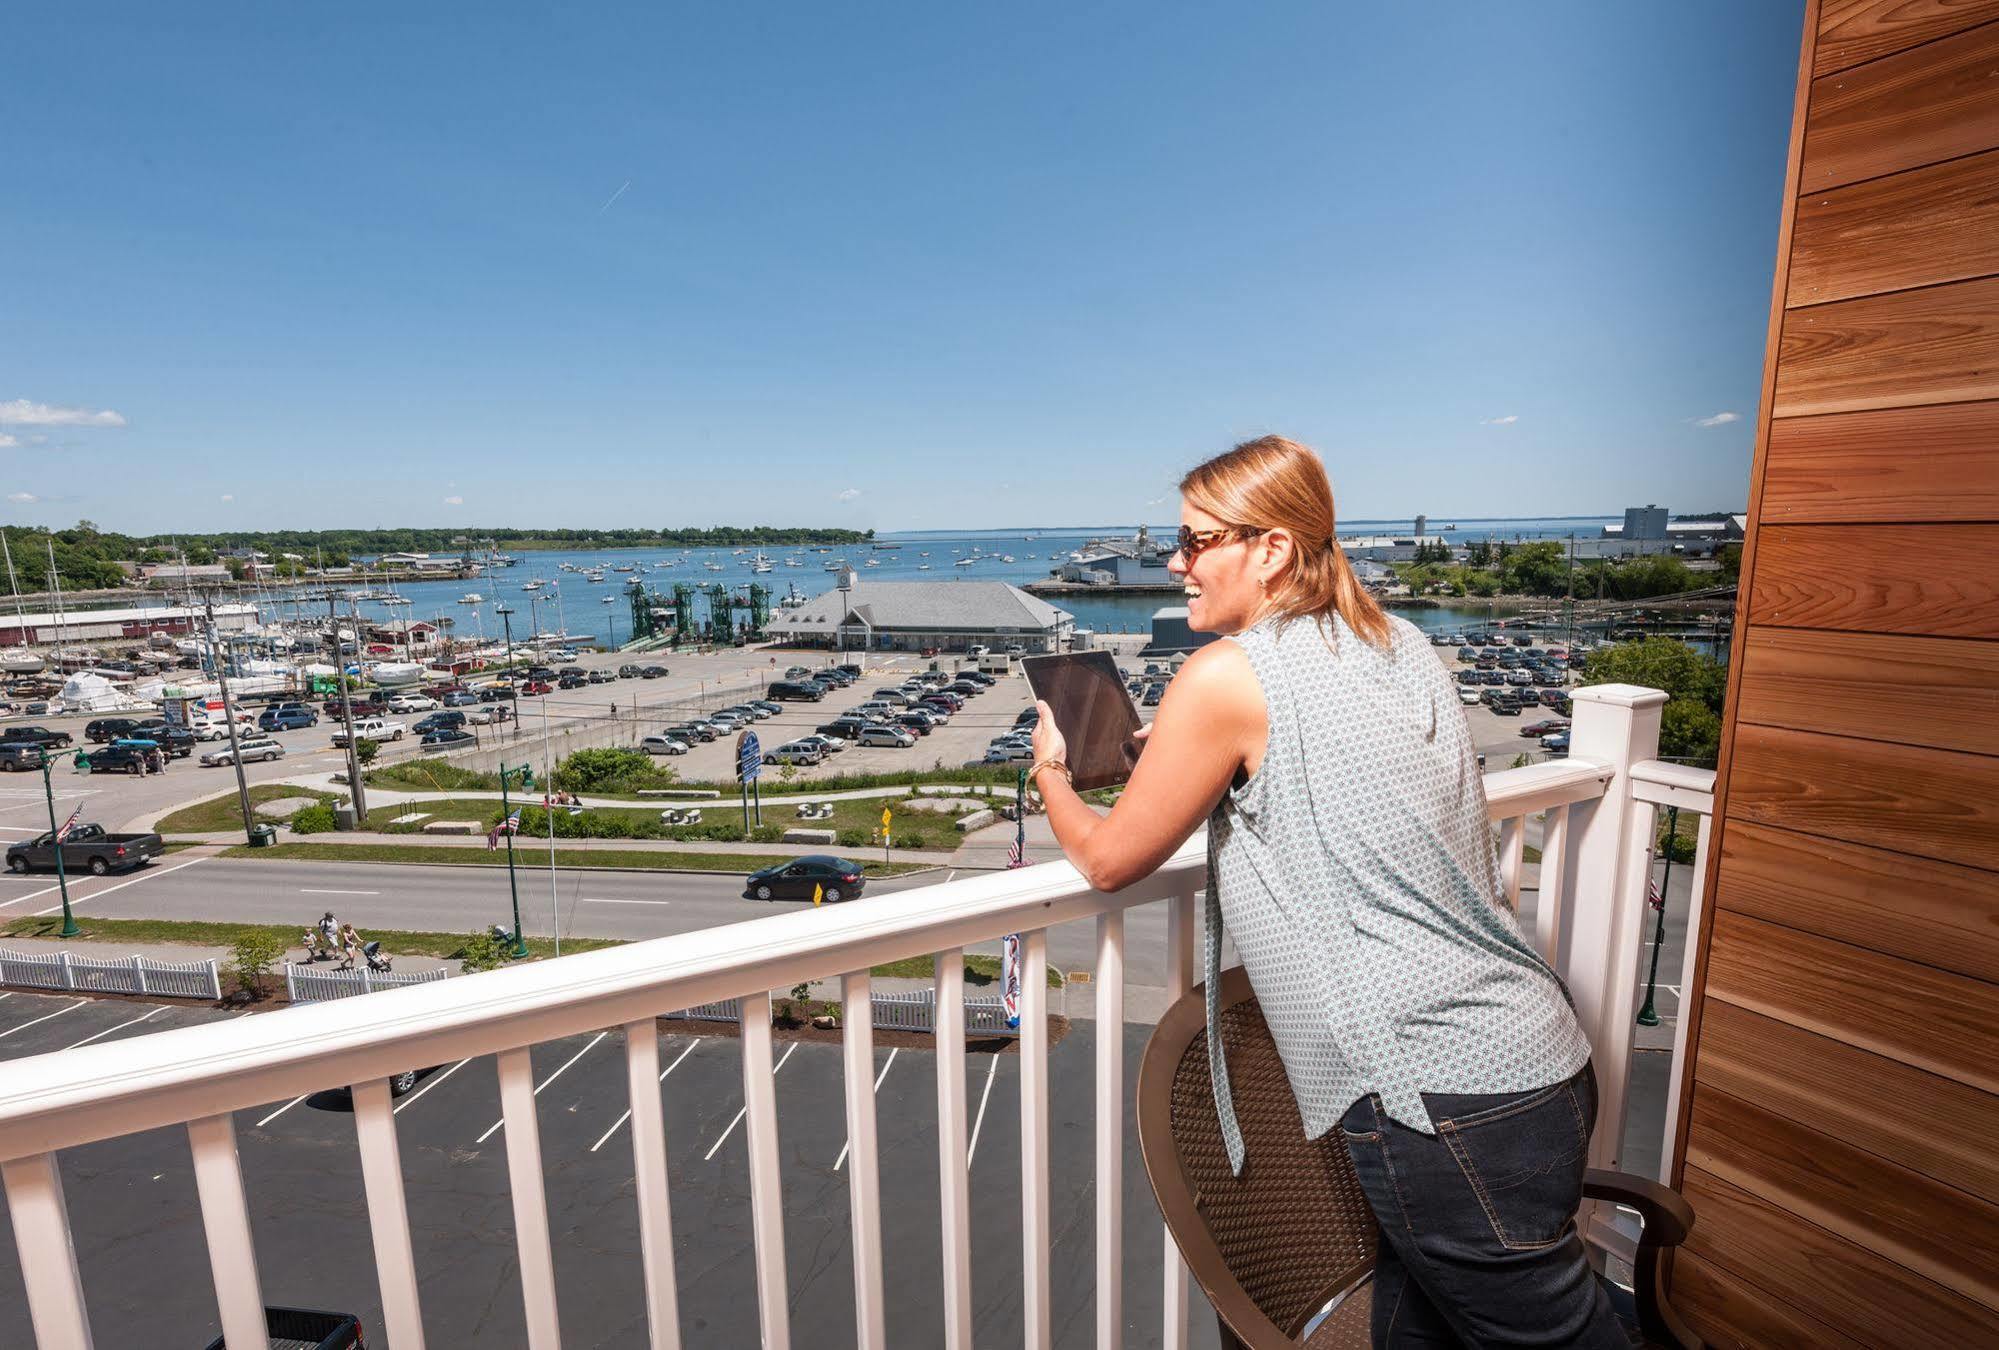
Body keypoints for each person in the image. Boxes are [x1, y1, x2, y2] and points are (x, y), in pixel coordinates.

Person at [1029, 436, 1620, 1348]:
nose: (1174, 565)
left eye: (1192, 543)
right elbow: (1331, 770)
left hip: (1440, 1099)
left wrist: (1053, 778)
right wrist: (1188, 759)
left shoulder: (1226, 676)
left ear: (1269, 549)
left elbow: (1108, 862)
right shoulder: (1397, 639)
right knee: (1419, 1328)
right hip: (1536, 1054)